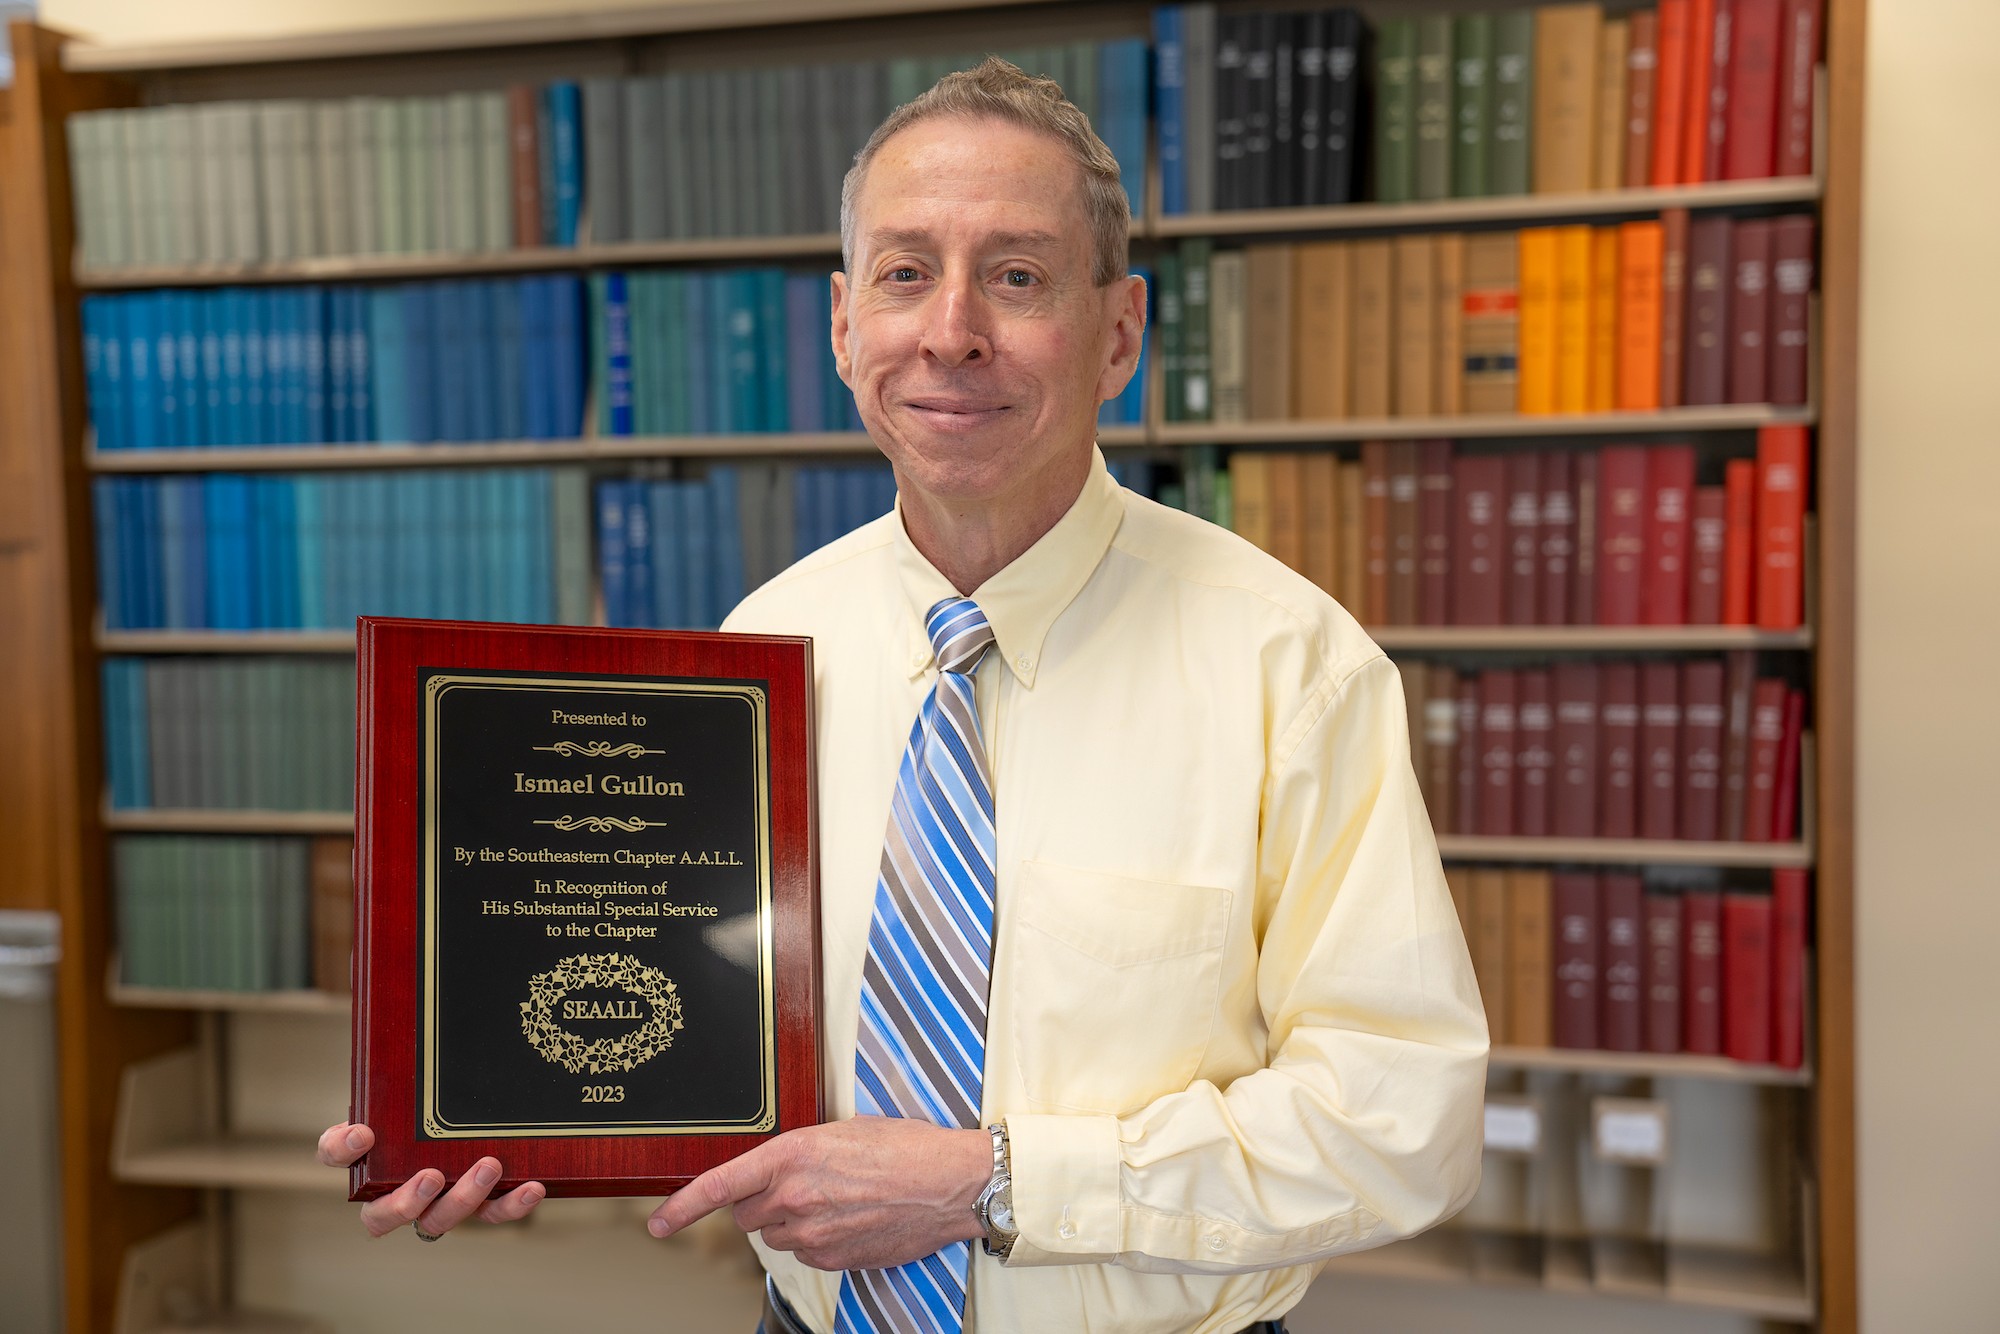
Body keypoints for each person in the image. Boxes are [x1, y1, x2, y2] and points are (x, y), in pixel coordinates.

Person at [319, 58, 1487, 1334]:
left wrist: (992, 1182)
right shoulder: (760, 651)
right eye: (904, 271)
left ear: (1119, 333)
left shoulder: (1290, 666)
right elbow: (687, 1027)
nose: (950, 331)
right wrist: (503, 1107)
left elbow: (1400, 1118)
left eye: (1018, 274)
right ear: (840, 326)